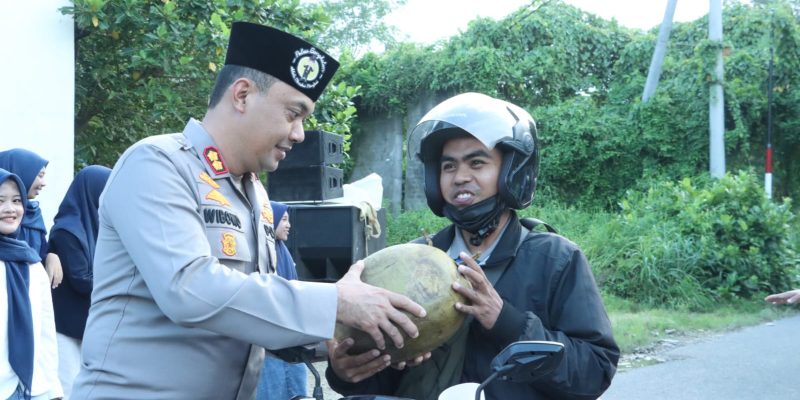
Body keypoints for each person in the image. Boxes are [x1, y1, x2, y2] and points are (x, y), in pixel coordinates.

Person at [71, 22, 426, 400]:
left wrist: (336, 346)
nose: (300, 134)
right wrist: (336, 302)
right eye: (293, 113)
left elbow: (249, 316)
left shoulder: (254, 194)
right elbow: (189, 289)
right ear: (242, 95)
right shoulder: (157, 164)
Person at [326, 93, 619, 400]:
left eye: (477, 163)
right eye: (448, 166)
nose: (460, 177)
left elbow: (594, 373)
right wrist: (347, 373)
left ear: (511, 172)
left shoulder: (555, 259)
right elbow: (378, 373)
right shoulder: (410, 262)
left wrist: (506, 321)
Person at [46, 165, 111, 399]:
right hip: (64, 325)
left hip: (84, 323)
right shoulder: (68, 231)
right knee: (68, 386)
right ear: (92, 191)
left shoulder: (94, 225)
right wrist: (117, 286)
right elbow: (81, 279)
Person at [0, 168, 63, 400]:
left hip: (29, 390)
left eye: (17, 200)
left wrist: (53, 390)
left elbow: (45, 331)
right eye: (0, 200)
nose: (10, 208)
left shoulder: (32, 264)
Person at [256, 201, 308, 400]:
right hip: (272, 338)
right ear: (271, 220)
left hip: (292, 333)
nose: (288, 225)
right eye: (284, 220)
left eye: (289, 220)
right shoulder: (263, 252)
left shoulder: (282, 250)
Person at [0, 149, 63, 289]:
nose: (43, 182)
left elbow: (37, 254)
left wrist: (50, 257)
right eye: (39, 175)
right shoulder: (8, 217)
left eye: (16, 201)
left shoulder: (32, 213)